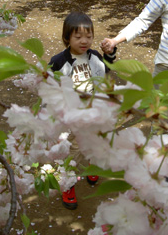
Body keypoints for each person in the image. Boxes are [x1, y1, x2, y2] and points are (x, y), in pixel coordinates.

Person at [48, 11, 117, 209]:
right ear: (67, 38)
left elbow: (106, 69)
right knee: (72, 150)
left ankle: (90, 167)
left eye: (89, 36)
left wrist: (109, 54)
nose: (84, 40)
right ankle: (67, 183)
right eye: (78, 37)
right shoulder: (58, 62)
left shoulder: (94, 56)